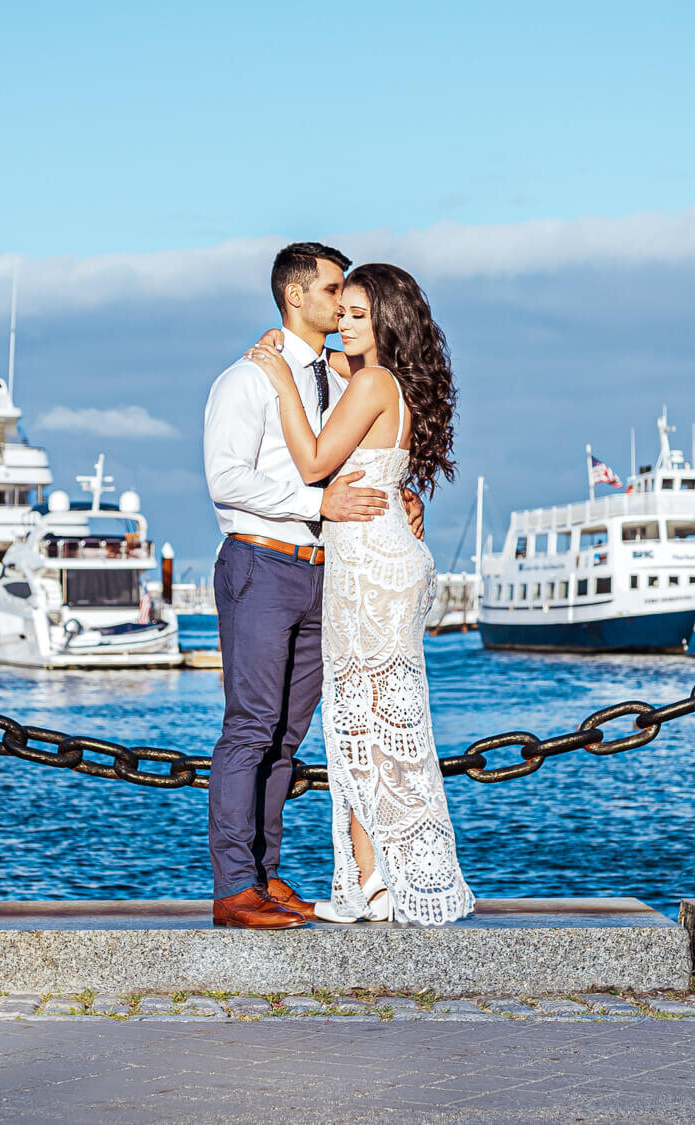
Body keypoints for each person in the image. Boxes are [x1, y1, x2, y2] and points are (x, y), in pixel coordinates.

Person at [243, 262, 475, 927]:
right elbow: (332, 386)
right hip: (374, 562)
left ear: (386, 322)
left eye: (356, 315)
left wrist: (279, 378)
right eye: (339, 310)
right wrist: (296, 358)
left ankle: (389, 881)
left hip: (372, 571)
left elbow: (316, 462)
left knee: (367, 728)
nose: (341, 323)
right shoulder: (373, 380)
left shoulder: (374, 381)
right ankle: (371, 882)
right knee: (359, 729)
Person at [201, 242, 423, 929]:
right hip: (262, 564)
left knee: (286, 735)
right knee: (249, 727)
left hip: (325, 573)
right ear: (296, 296)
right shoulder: (246, 380)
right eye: (332, 290)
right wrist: (312, 504)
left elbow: (358, 455)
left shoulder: (337, 376)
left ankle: (267, 877)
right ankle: (235, 886)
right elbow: (226, 479)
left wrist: (400, 492)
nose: (342, 301)